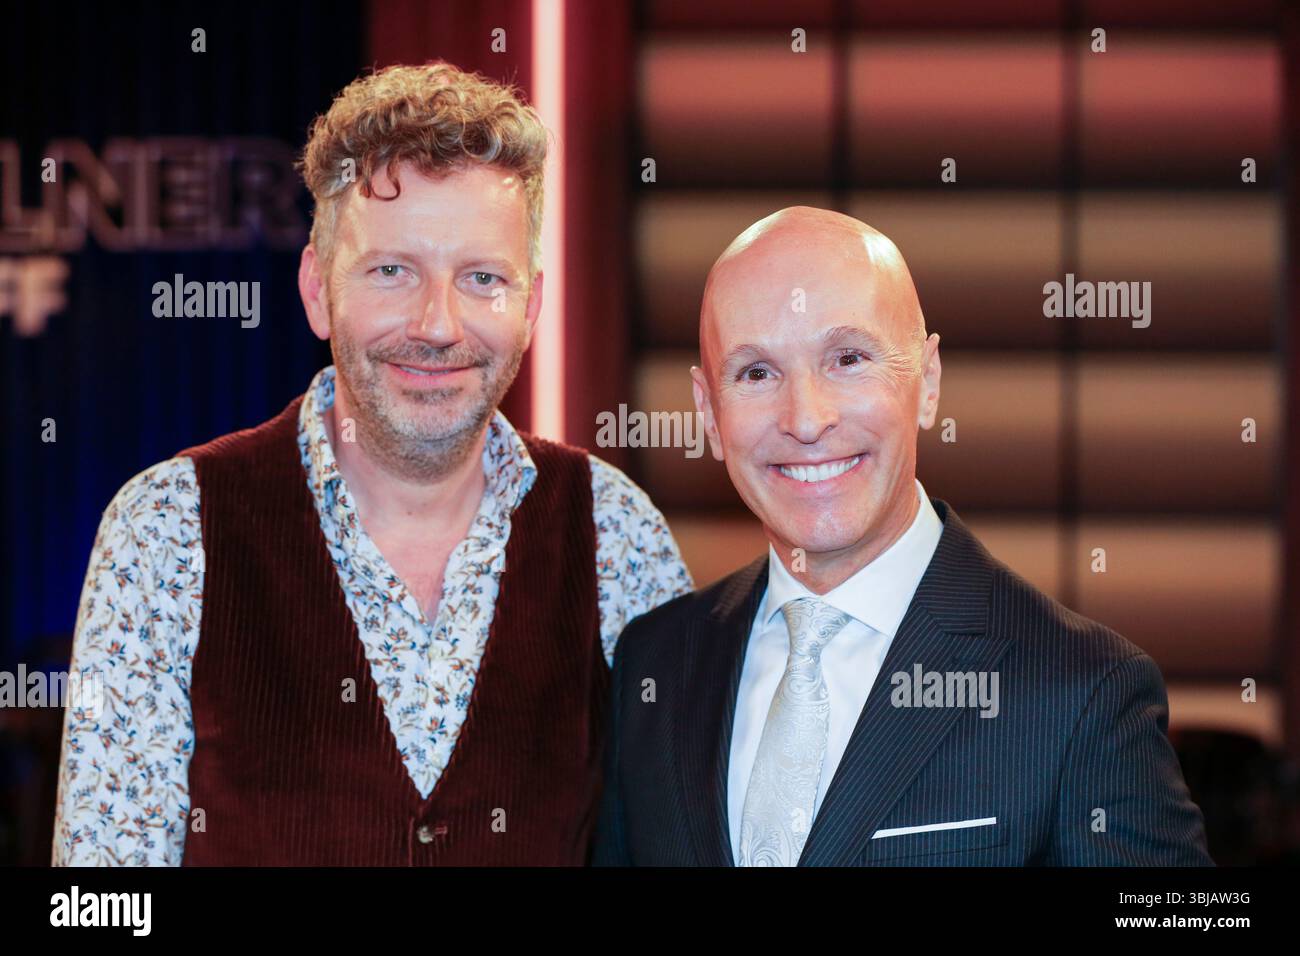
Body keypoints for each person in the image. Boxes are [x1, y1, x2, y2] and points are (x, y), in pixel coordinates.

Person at [52, 63, 691, 866]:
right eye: (392, 271)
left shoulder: (617, 532)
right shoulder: (167, 528)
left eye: (482, 279)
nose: (437, 325)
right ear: (319, 291)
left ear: (529, 306)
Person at [593, 206, 1213, 866]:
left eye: (848, 358)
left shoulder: (1081, 693)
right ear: (708, 414)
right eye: (756, 373)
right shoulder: (655, 664)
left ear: (928, 380)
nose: (805, 418)